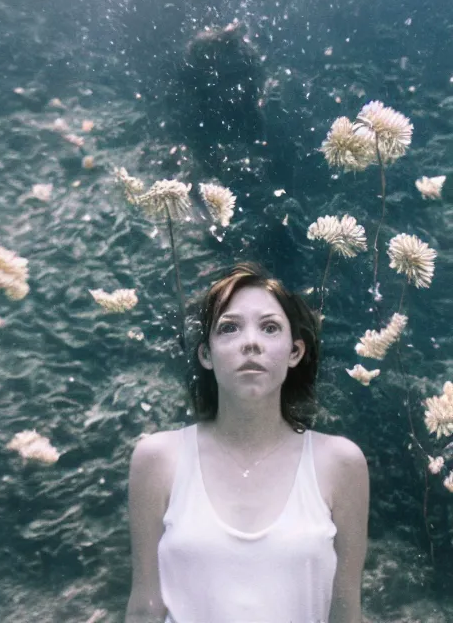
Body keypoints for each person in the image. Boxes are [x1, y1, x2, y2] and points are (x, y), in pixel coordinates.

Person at [125, 261, 370, 623]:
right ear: (206, 354)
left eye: (270, 328)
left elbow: (347, 611)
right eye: (229, 328)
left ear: (294, 352)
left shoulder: (340, 463)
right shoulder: (158, 460)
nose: (251, 342)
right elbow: (145, 608)